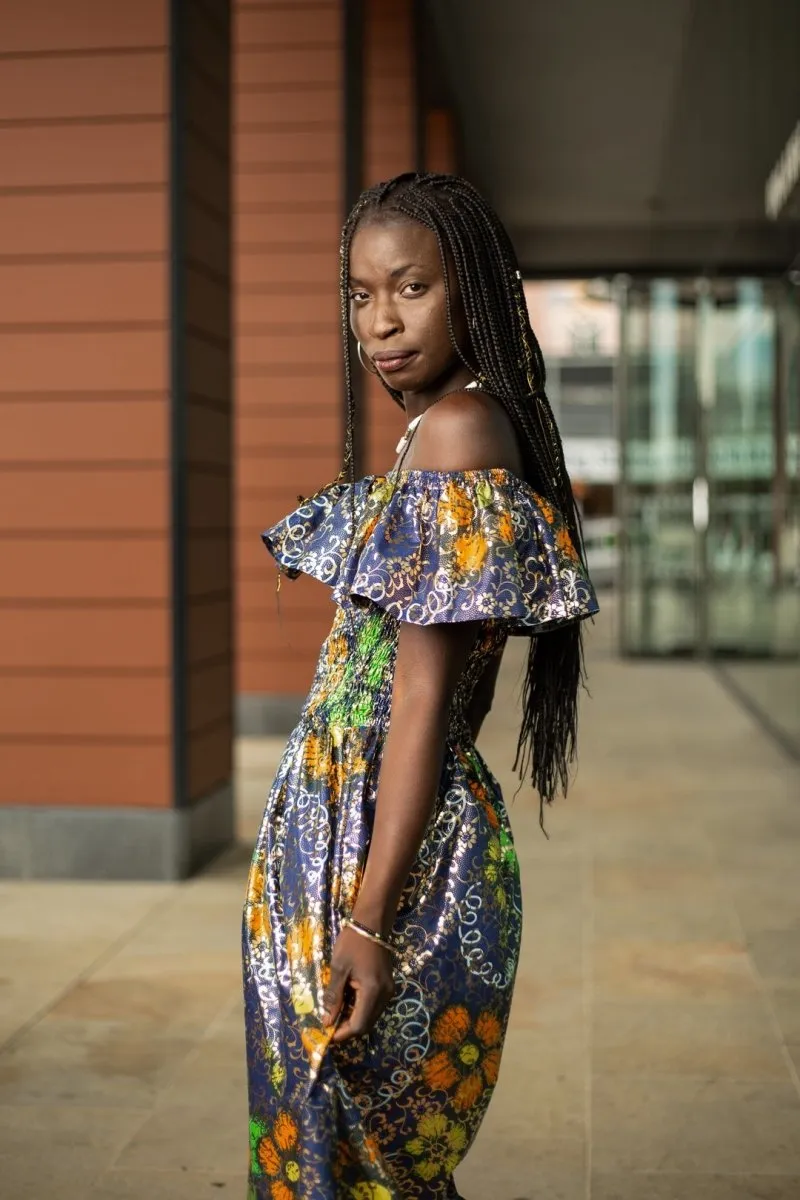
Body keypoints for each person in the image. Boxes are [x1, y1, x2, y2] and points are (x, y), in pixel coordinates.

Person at [243, 172, 598, 1200]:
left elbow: (418, 705)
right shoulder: (439, 429)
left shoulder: (456, 432)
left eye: (409, 288)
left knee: (352, 1160)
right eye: (359, 295)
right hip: (345, 832)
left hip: (376, 849)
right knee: (356, 1157)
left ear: (472, 291)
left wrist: (363, 923)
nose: (380, 321)